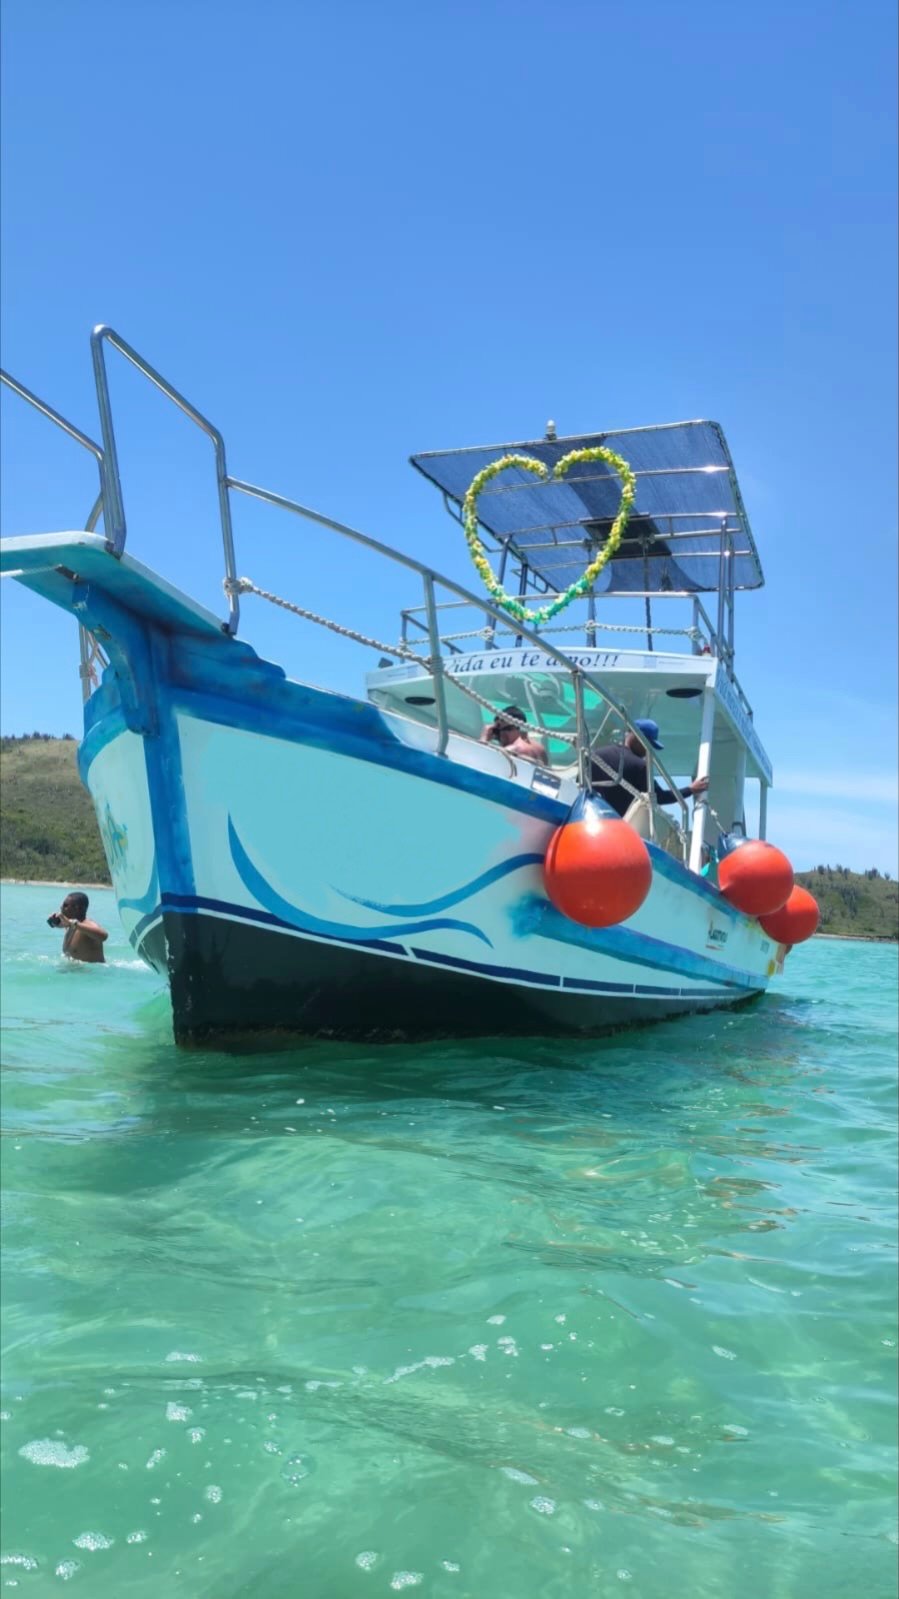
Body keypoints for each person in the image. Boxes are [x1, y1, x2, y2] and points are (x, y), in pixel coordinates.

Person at [589, 718, 709, 818]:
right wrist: (690, 789)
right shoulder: (640, 766)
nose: (648, 751)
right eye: (648, 744)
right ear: (637, 738)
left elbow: (580, 782)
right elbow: (660, 797)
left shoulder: (597, 754)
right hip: (618, 828)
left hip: (589, 817)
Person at [48, 892, 108, 964]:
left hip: (91, 973)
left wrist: (72, 923)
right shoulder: (71, 926)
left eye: (65, 905)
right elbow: (61, 924)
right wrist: (54, 922)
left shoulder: (88, 924)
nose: (61, 907)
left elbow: (104, 936)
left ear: (77, 908)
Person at [480, 704, 548, 765]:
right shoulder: (539, 748)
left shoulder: (512, 750)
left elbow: (480, 761)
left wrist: (484, 738)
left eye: (498, 729)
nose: (499, 735)